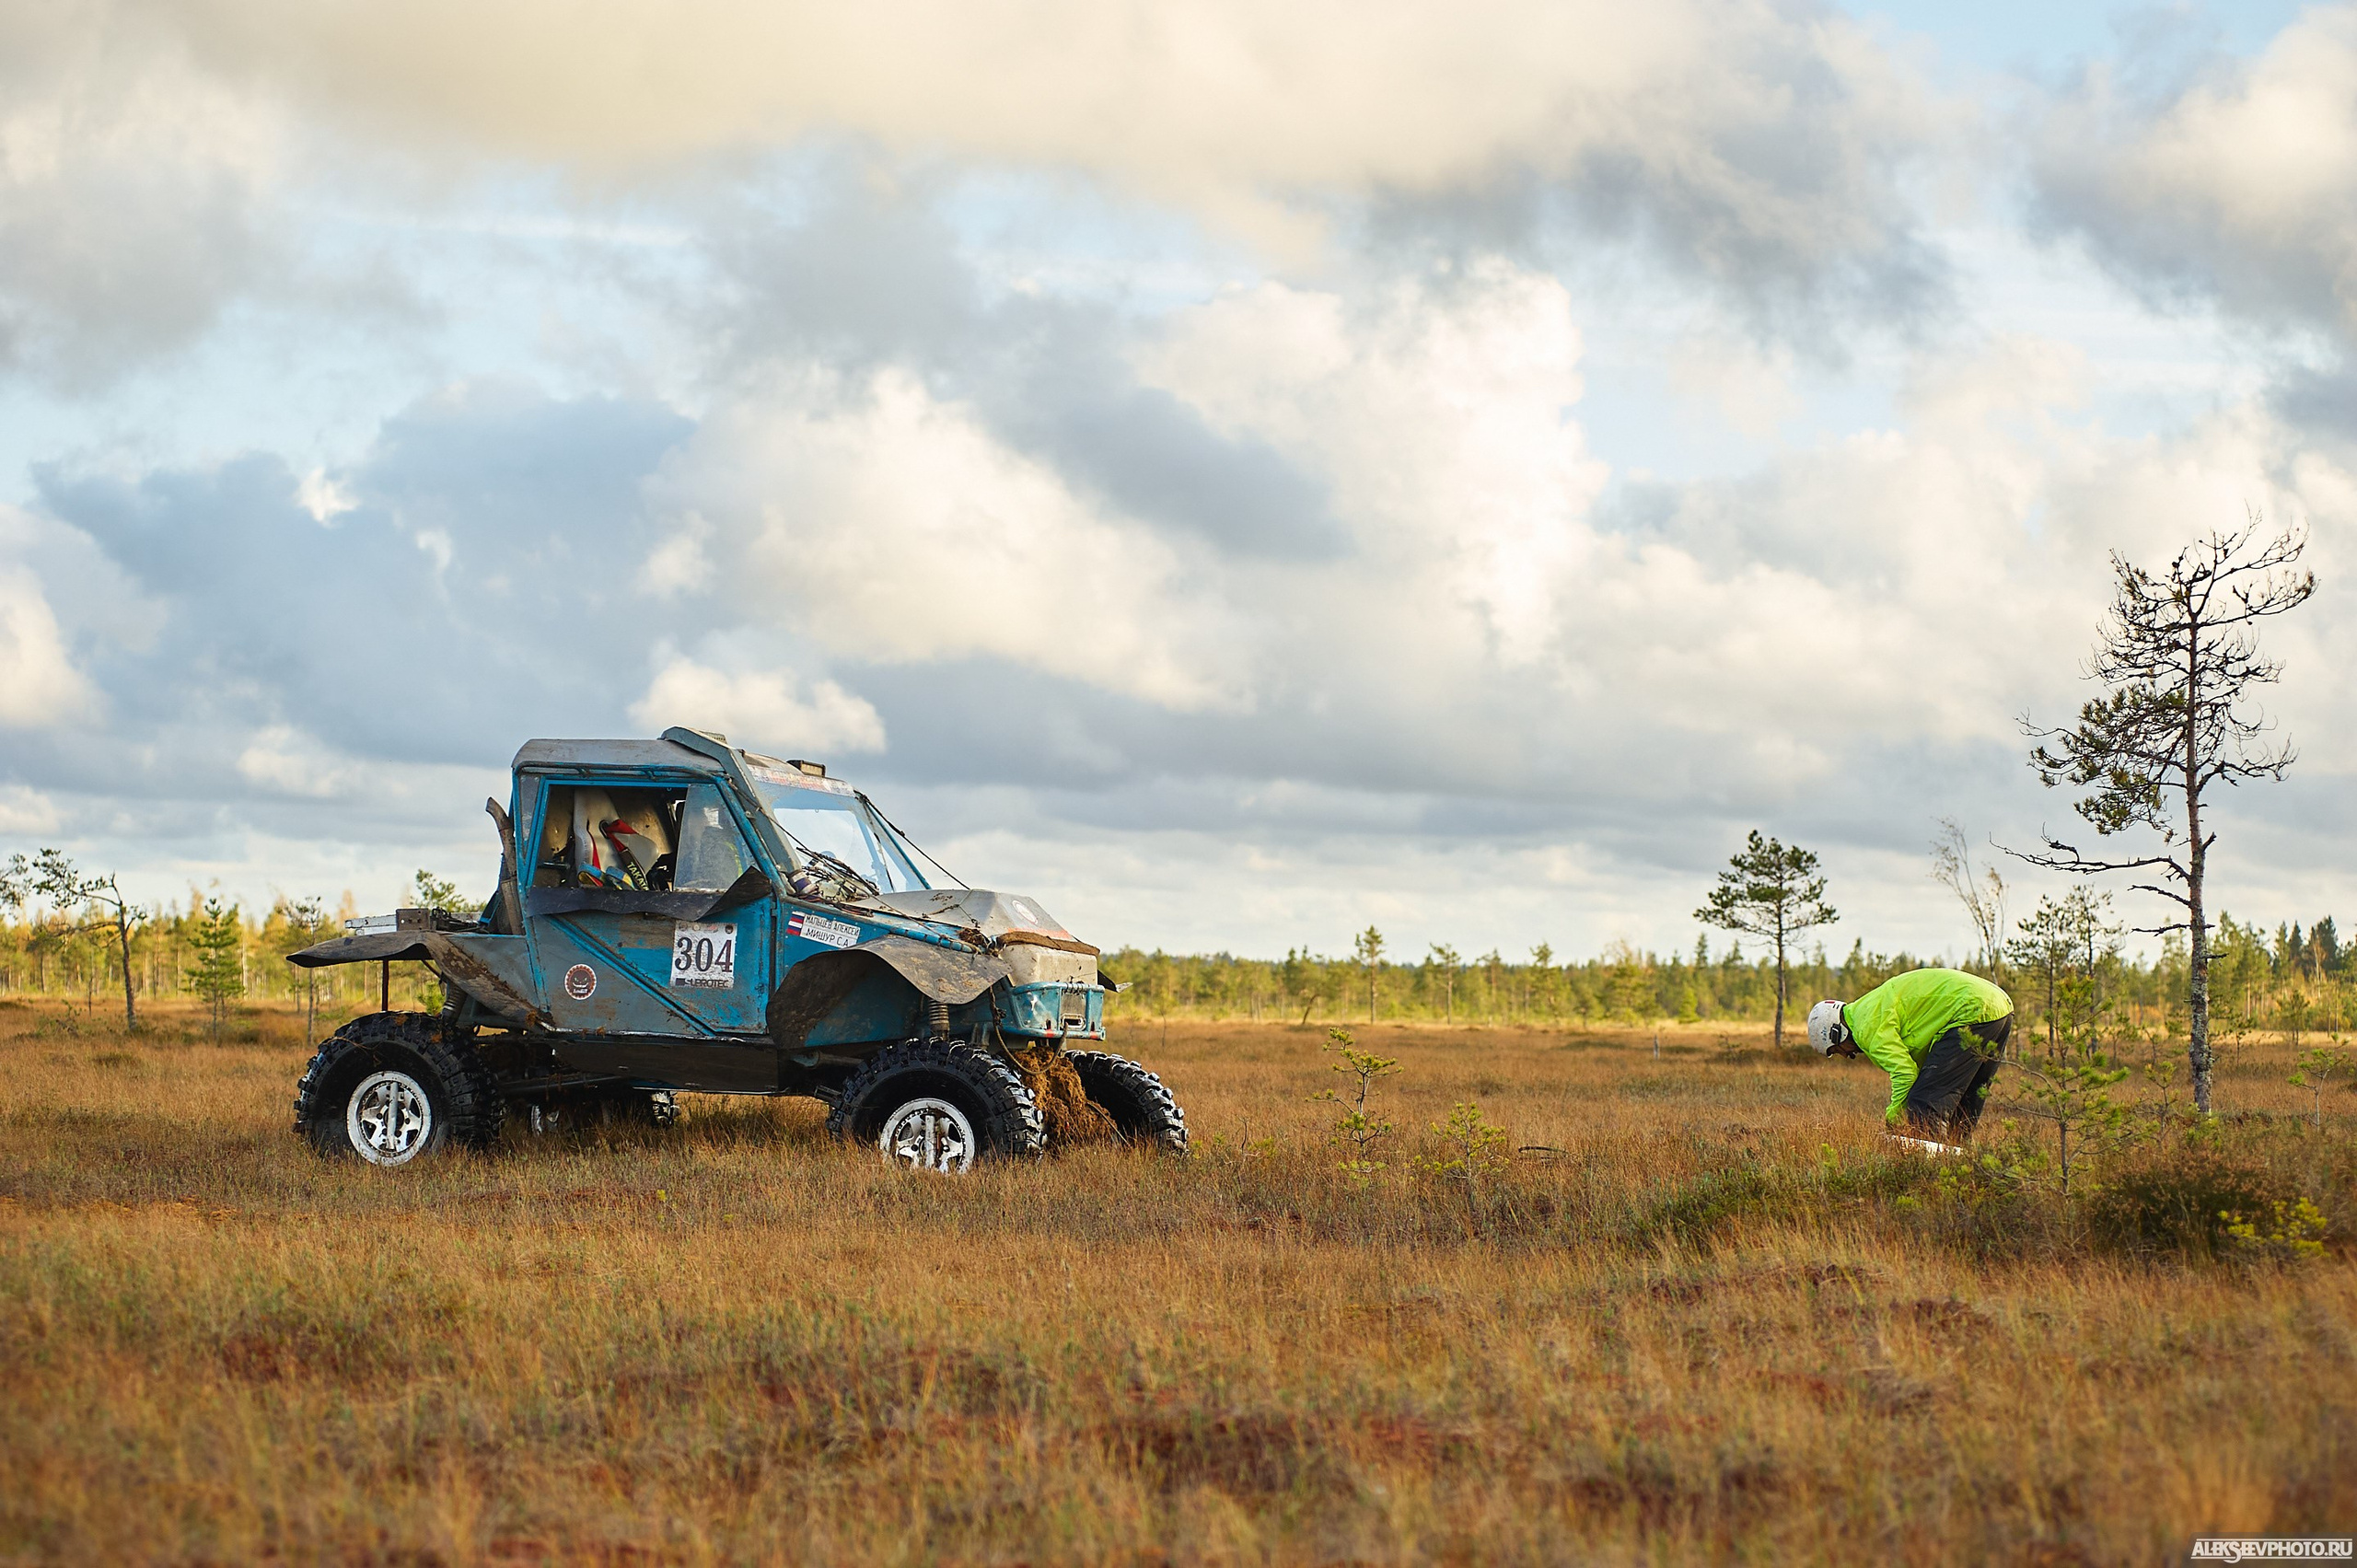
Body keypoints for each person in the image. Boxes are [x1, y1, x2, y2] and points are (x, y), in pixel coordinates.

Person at [1806, 968, 2013, 1146]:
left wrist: (1893, 1118)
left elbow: (1905, 1073)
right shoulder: (1867, 1010)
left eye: (1837, 1050)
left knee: (1925, 1103)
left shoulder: (1866, 1027)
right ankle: (1960, 1164)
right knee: (1964, 1100)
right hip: (1998, 1008)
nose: (1845, 1055)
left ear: (1837, 1033)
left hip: (1972, 1010)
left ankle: (1931, 1172)